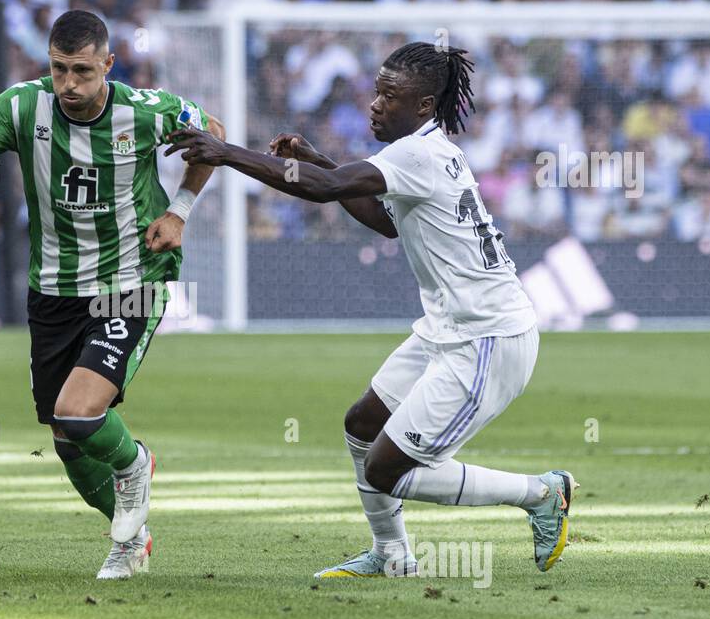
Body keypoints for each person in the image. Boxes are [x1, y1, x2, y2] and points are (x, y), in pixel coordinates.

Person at [165, 41, 575, 578]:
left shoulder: (417, 153)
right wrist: (313, 160)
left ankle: (541, 493)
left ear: (425, 106)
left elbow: (329, 190)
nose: (375, 105)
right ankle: (391, 554)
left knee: (387, 469)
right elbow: (385, 220)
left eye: (390, 95)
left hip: (487, 338)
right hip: (448, 328)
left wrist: (229, 153)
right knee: (362, 424)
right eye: (376, 91)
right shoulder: (428, 150)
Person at [0, 9, 224, 580]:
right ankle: (130, 537)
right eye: (60, 69)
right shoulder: (20, 106)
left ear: (108, 66)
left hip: (131, 280)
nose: (69, 84)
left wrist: (179, 210)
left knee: (79, 411)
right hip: (54, 292)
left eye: (83, 72)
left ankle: (136, 464)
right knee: (67, 439)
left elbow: (212, 132)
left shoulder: (145, 111)